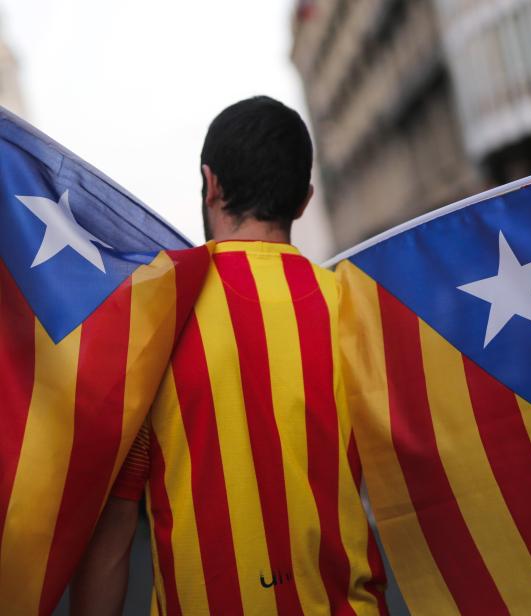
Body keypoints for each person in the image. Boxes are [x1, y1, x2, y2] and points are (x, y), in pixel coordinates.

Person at [71, 96, 388, 615]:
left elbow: (114, 531)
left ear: (210, 183)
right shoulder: (355, 311)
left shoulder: (156, 316)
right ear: (304, 199)